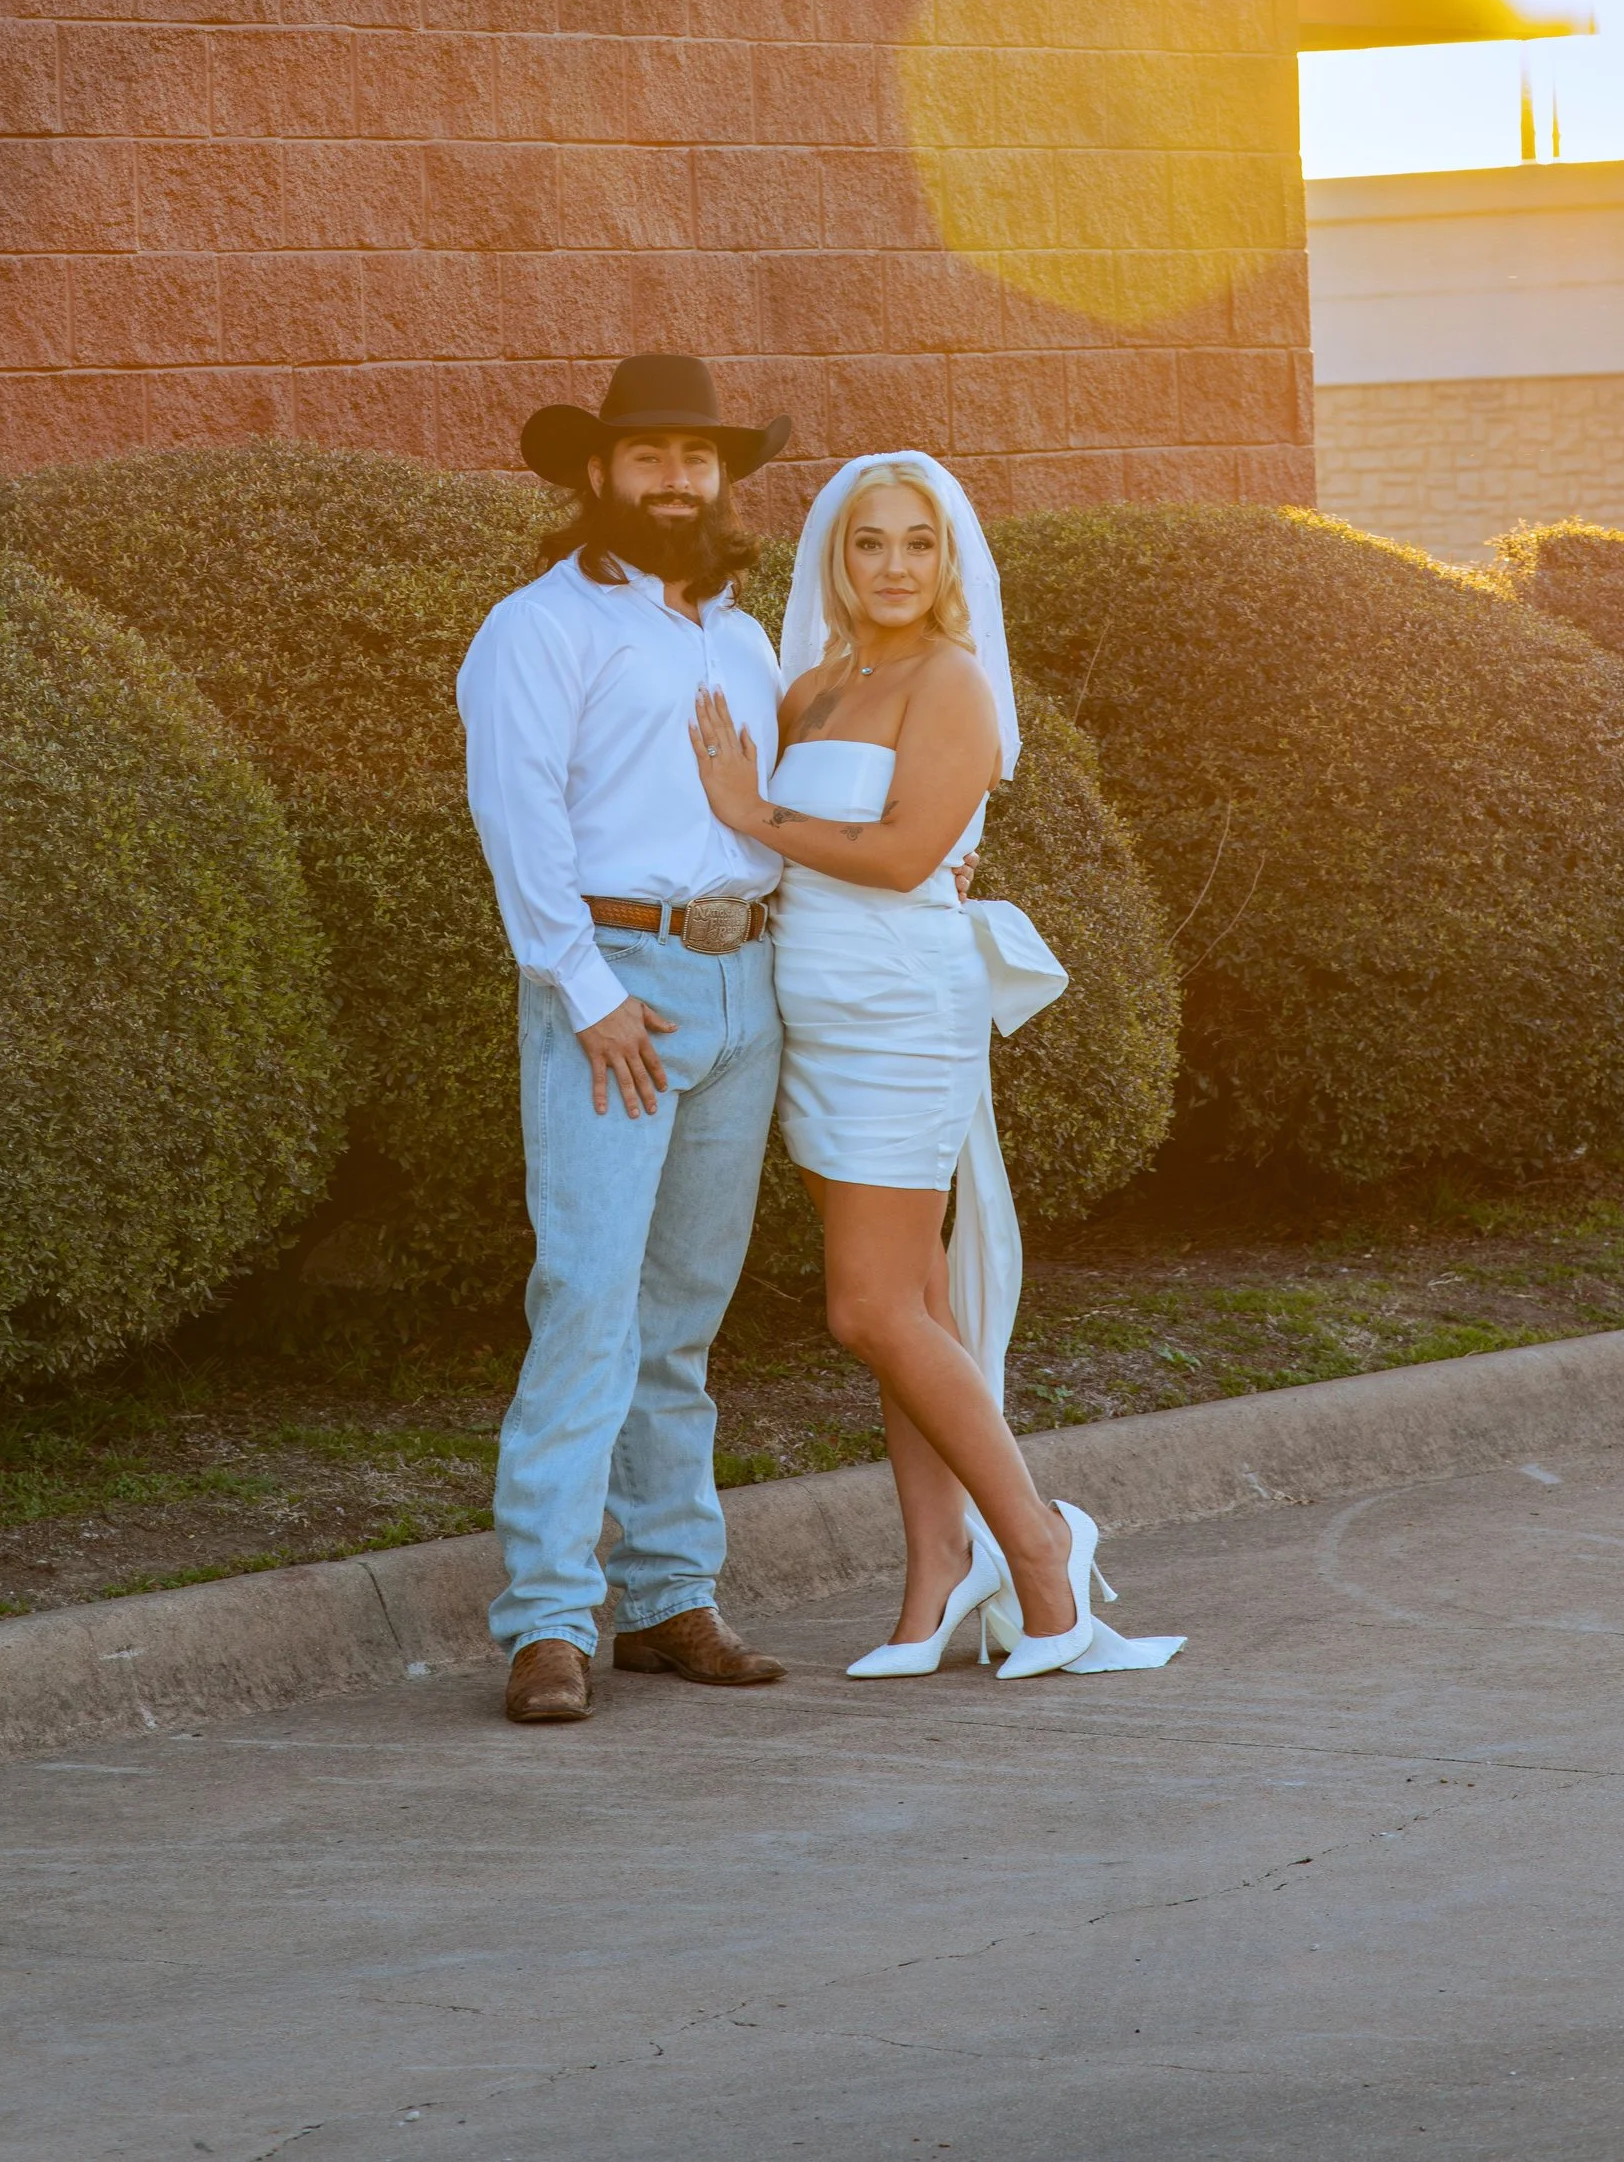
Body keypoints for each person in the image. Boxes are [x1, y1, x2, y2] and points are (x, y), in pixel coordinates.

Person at [690, 452, 1184, 1684]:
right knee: (910, 1310)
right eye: (870, 542)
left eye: (919, 542)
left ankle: (1042, 1551)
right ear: (835, 557)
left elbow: (907, 854)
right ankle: (933, 1579)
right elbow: (799, 855)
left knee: (865, 1310)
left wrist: (751, 813)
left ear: (949, 558)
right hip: (812, 1013)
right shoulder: (811, 685)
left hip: (901, 1010)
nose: (895, 565)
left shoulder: (953, 680)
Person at [459, 352, 793, 1729]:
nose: (674, 479)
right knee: (589, 1299)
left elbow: (779, 807)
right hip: (615, 989)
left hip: (743, 984)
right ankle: (548, 1619)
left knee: (683, 1315)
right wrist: (584, 988)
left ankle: (667, 1598)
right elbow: (517, 812)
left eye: (695, 457)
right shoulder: (537, 627)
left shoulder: (745, 638)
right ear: (597, 471)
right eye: (647, 456)